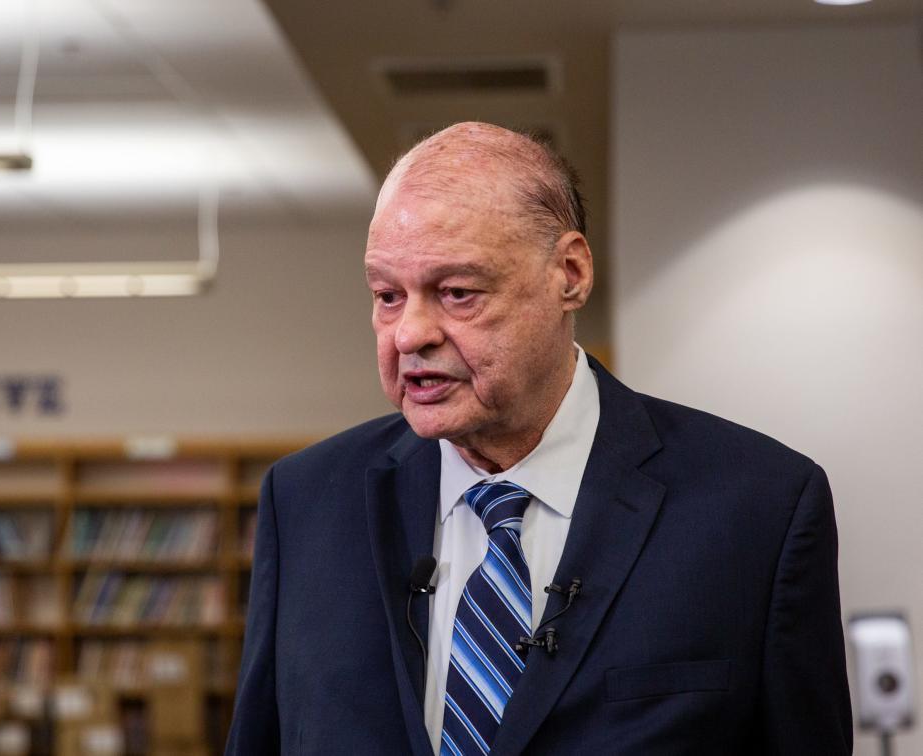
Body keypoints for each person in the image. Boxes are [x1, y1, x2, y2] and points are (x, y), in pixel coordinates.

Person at [226, 122, 851, 755]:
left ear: (570, 274)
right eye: (388, 295)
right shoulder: (303, 503)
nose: (410, 333)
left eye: (457, 293)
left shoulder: (759, 509)